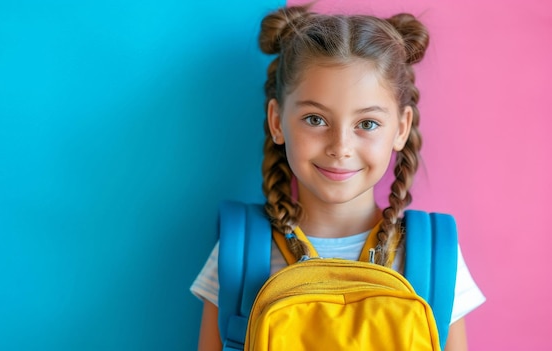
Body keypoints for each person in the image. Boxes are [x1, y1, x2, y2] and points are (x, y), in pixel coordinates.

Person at [191, 4, 485, 351]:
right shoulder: (239, 253)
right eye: (315, 119)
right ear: (276, 121)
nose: (340, 146)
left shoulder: (434, 258)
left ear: (400, 128)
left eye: (367, 124)